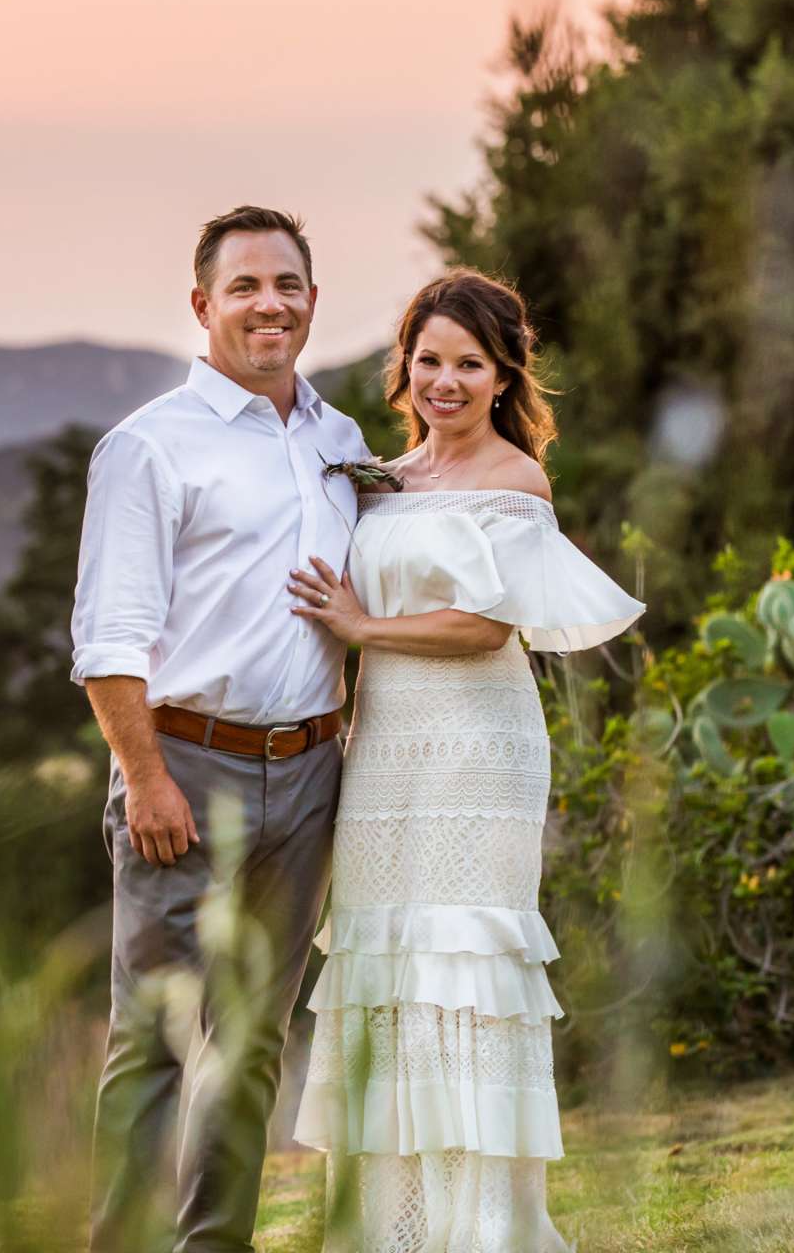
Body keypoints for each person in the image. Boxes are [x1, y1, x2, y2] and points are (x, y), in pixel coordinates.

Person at [287, 269, 644, 1253]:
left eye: (468, 363)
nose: (445, 380)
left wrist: (362, 623)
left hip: (478, 748)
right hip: (385, 750)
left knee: (466, 964)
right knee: (385, 966)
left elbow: (488, 627)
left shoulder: (515, 480)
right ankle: (389, 1231)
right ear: (404, 366)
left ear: (502, 375)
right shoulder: (383, 479)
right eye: (429, 359)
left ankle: (484, 1230)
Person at [71, 205, 376, 1253]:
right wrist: (145, 778)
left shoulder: (340, 443)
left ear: (312, 301)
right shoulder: (149, 446)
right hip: (183, 768)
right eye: (244, 286)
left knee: (248, 1044)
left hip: (307, 776)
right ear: (203, 306)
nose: (268, 304)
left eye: (286, 284)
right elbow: (109, 639)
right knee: (154, 1038)